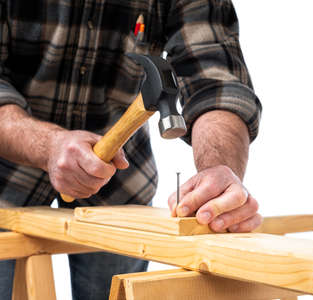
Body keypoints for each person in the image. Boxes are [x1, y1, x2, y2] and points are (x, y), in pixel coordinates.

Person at [0, 0, 262, 299]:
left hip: (119, 185)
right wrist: (46, 145)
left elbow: (216, 79)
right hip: (7, 174)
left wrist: (219, 170)